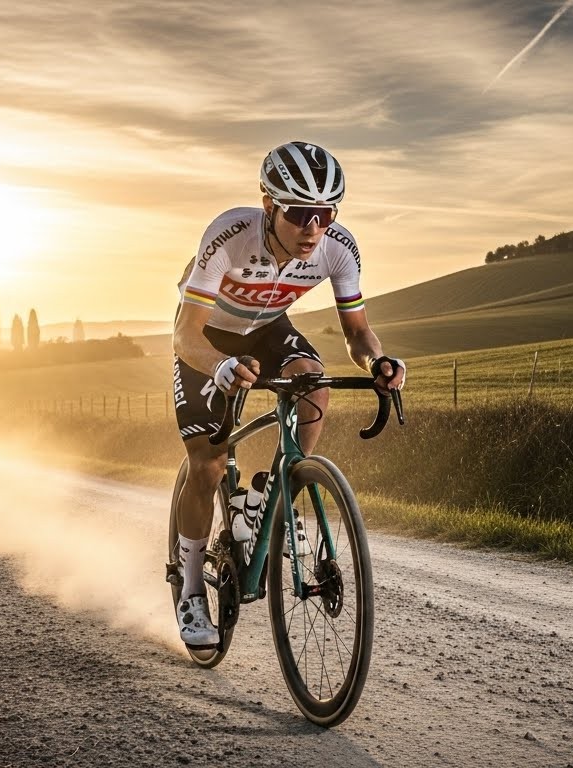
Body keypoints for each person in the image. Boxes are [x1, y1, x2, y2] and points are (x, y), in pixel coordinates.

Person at [169, 141, 406, 648]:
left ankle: (270, 491)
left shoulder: (338, 248)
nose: (312, 228)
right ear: (269, 206)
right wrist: (220, 365)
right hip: (207, 334)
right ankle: (190, 589)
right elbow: (185, 336)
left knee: (312, 381)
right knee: (208, 464)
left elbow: (358, 334)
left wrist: (377, 363)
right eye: (299, 214)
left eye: (325, 214)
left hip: (267, 328)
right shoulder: (229, 235)